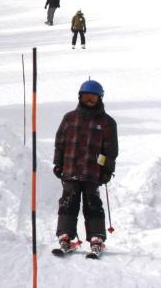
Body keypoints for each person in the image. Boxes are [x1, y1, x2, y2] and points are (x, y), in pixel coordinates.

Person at [53, 79, 118, 256]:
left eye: (93, 98)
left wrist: (106, 170)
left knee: (93, 204)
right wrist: (58, 163)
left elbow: (109, 151)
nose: (90, 100)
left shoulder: (107, 122)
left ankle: (96, 238)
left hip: (92, 173)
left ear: (100, 99)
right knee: (68, 203)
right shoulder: (69, 118)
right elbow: (60, 143)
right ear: (80, 97)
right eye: (87, 97)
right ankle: (65, 236)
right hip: (70, 170)